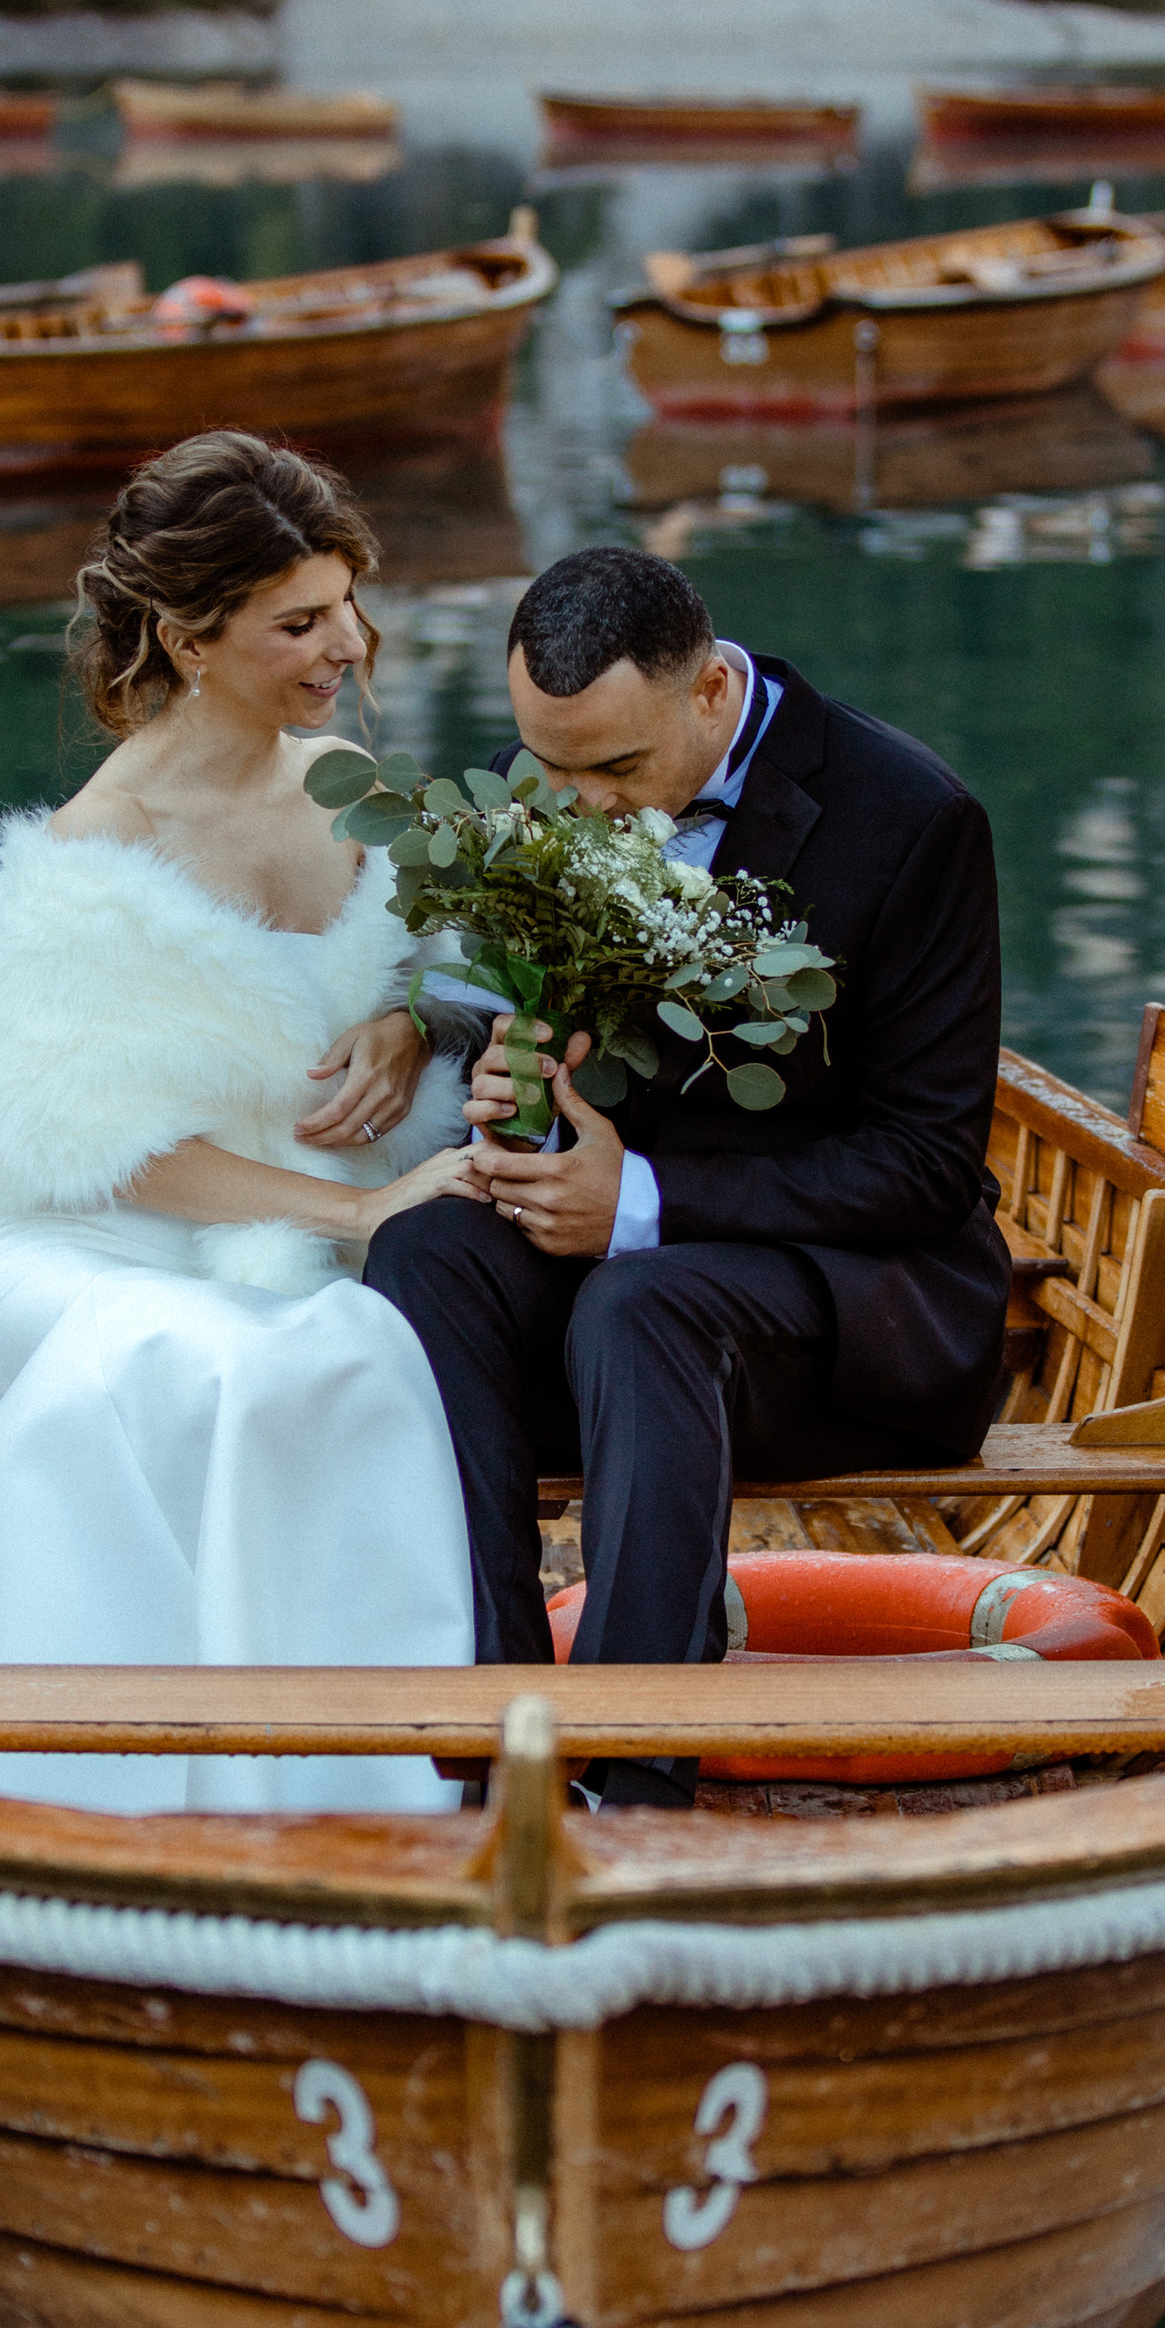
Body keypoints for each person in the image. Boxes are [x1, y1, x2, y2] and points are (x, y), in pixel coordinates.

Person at [0, 430, 486, 1812]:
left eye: (350, 605)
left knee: (345, 1344)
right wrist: (355, 1211)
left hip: (287, 1241)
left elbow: (439, 981)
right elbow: (97, 1156)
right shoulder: (92, 849)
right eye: (302, 621)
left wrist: (407, 1023)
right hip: (86, 1253)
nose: (351, 644)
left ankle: (369, 1768)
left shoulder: (356, 797)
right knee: (196, 1359)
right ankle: (145, 1785)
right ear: (194, 640)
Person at [365, 547, 1010, 1792]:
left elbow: (928, 1164)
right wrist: (517, 1104)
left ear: (710, 690)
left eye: (613, 768)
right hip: (621, 1325)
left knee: (642, 1296)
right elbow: (547, 1051)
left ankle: (629, 1780)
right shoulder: (541, 790)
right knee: (423, 1251)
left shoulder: (912, 819)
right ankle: (496, 1740)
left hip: (847, 1321)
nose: (575, 803)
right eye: (547, 765)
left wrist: (638, 1208)